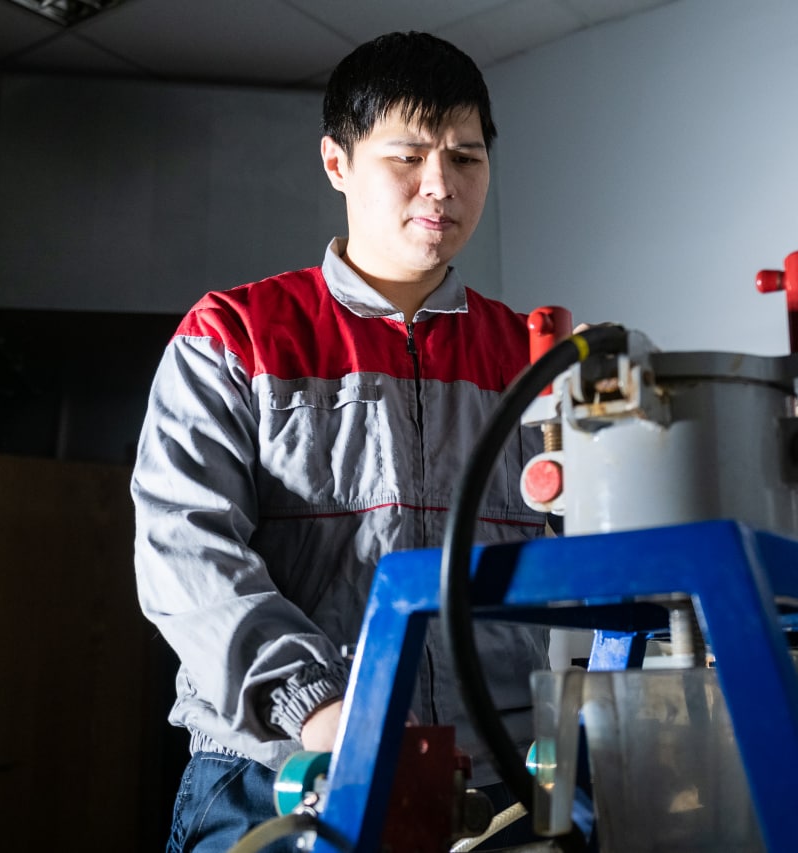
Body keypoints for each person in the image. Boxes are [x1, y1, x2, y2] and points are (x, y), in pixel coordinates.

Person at [131, 31, 549, 852]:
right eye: (409, 156)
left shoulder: (533, 356)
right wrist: (322, 708)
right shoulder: (235, 335)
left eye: (466, 157)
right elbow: (184, 549)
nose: (442, 184)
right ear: (337, 163)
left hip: (494, 781)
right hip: (278, 769)